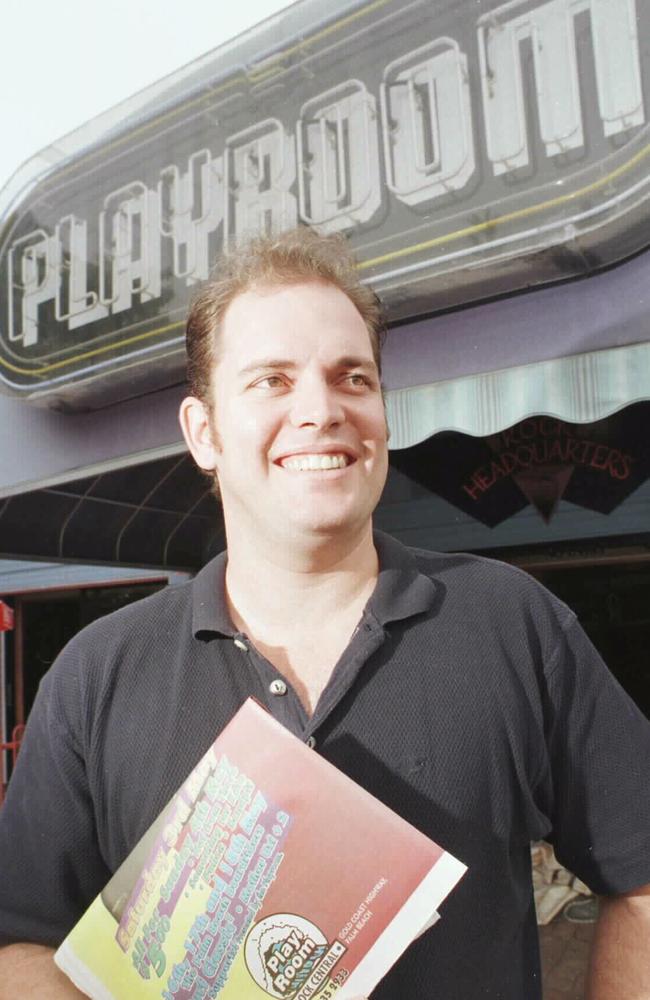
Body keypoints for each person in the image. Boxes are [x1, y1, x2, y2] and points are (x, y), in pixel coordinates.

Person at [0, 227, 649, 999]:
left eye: (352, 378)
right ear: (202, 433)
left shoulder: (514, 623)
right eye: (271, 380)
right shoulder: (96, 675)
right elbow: (23, 939)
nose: (321, 409)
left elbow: (642, 881)